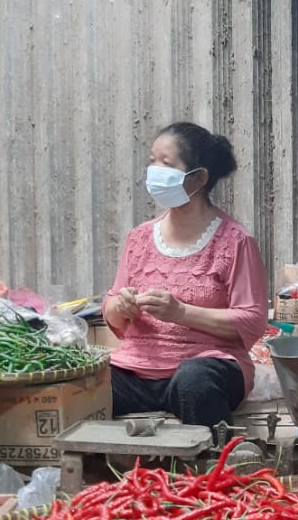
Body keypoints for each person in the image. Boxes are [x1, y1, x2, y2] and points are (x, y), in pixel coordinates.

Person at [103, 122, 269, 428]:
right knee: (87, 385)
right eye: (152, 160)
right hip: (136, 370)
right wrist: (120, 306)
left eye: (166, 163)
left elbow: (252, 320)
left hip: (207, 367)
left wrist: (180, 312)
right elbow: (112, 308)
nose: (153, 170)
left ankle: (212, 471)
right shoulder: (138, 238)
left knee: (194, 382)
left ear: (199, 178)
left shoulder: (235, 242)